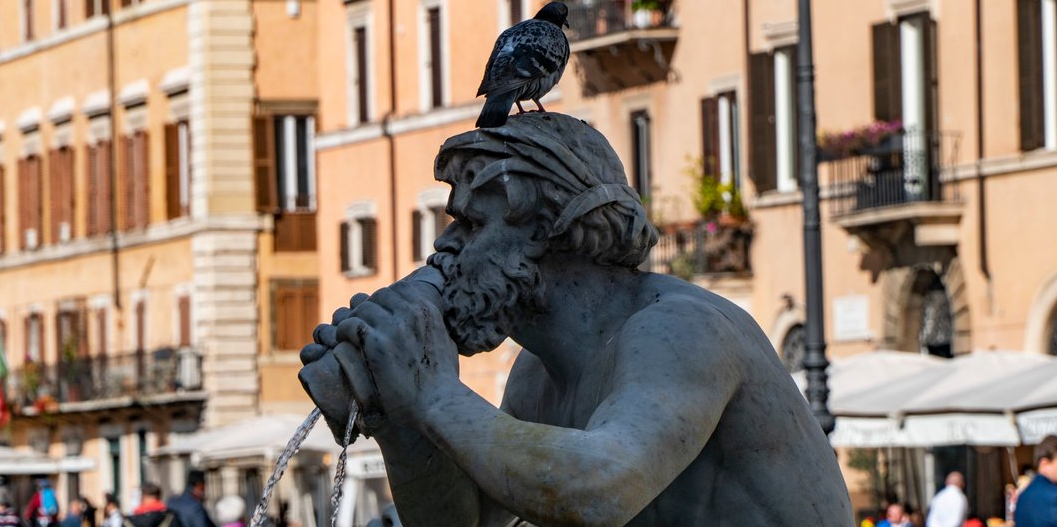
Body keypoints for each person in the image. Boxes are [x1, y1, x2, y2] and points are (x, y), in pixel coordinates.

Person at [300, 113, 854, 526]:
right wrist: (399, 419)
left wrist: (435, 397)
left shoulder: (680, 331)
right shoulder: (537, 375)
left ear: (547, 229)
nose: (444, 249)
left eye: (470, 226)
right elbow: (465, 525)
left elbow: (602, 489)